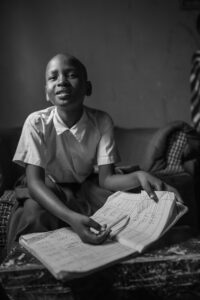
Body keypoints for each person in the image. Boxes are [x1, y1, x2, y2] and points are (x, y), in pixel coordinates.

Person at [6, 53, 181, 251]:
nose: (61, 81)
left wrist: (140, 175)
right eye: (53, 77)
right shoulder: (36, 123)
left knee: (130, 204)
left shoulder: (101, 121)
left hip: (86, 184)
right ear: (46, 92)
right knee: (34, 214)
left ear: (87, 88)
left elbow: (106, 180)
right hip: (47, 185)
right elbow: (34, 183)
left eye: (71, 75)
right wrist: (71, 218)